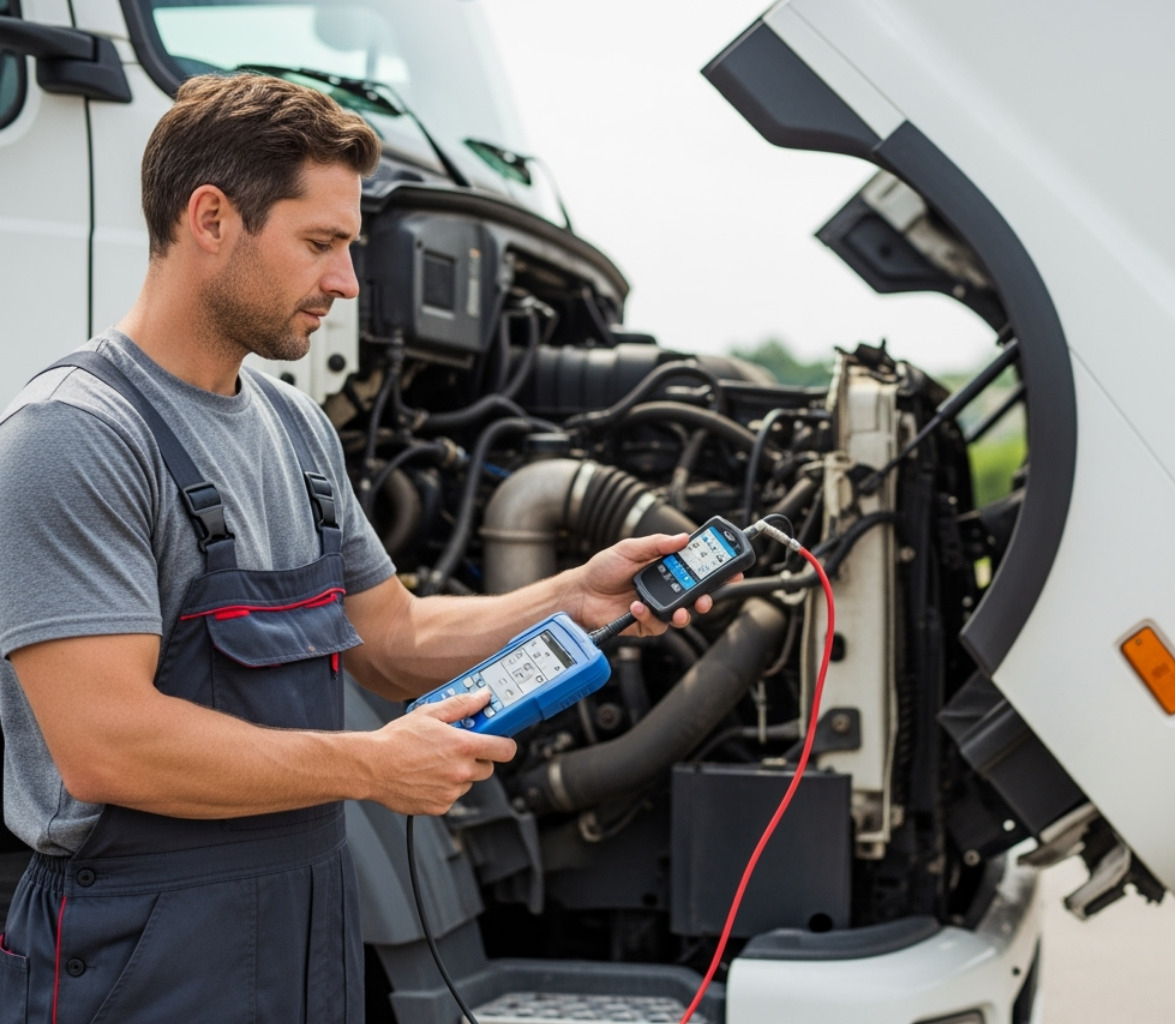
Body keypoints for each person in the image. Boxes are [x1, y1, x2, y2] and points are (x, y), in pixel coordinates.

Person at [0, 74, 709, 1023]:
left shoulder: (297, 431)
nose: (344, 282)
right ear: (211, 218)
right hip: (140, 947)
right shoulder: (76, 435)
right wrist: (373, 766)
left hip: (305, 921)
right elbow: (108, 748)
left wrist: (574, 597)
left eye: (350, 248)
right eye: (320, 244)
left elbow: (391, 635)